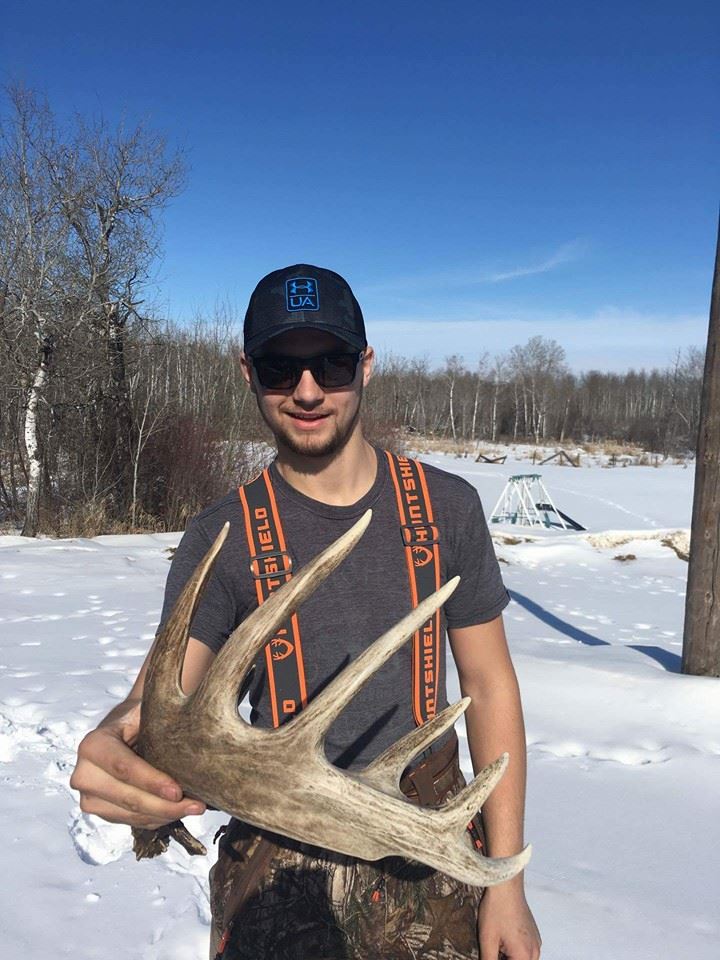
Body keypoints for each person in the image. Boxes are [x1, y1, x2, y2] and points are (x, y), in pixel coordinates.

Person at [71, 264, 541, 960]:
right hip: (280, 857)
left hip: (426, 844)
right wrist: (114, 745)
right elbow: (156, 699)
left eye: (331, 362)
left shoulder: (447, 508)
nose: (309, 390)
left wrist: (507, 883)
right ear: (246, 373)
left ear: (367, 365)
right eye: (279, 367)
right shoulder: (220, 537)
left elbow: (490, 684)